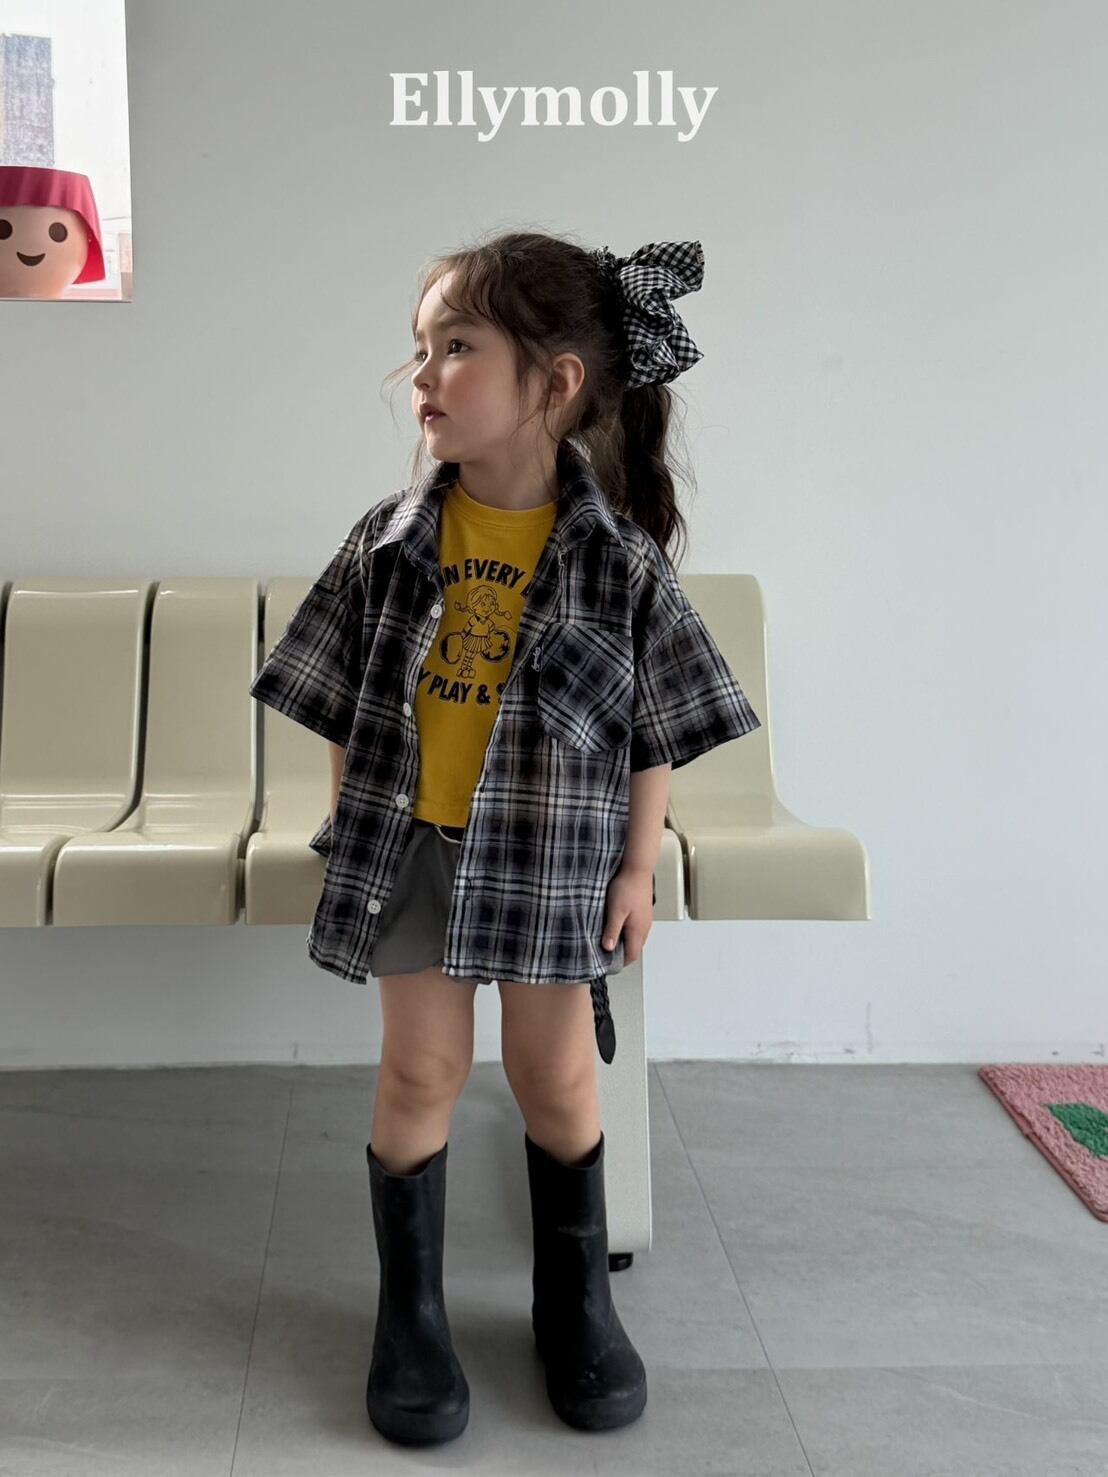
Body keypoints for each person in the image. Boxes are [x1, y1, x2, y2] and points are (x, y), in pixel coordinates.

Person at [249, 231, 762, 1446]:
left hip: (553, 866)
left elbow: (651, 731)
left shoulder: (617, 560)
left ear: (555, 381)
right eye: (419, 348)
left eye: (456, 347)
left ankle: (573, 1305)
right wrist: (351, 830)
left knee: (558, 1079)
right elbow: (341, 700)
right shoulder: (388, 541)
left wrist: (636, 867)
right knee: (418, 1073)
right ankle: (411, 1320)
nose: (421, 375)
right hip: (414, 851)